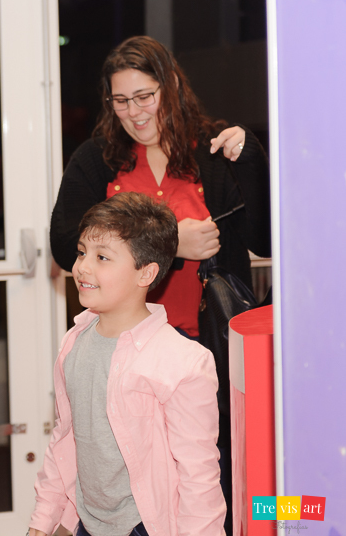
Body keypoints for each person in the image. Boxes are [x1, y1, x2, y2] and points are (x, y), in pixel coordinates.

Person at [50, 36, 271, 534]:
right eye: (120, 100)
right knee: (130, 473)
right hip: (128, 351)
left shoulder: (214, 150)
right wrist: (175, 242)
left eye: (145, 95)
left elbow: (265, 237)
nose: (134, 111)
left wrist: (251, 155)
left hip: (207, 344)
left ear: (170, 86)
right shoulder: (96, 159)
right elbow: (66, 245)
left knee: (212, 469)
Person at [29, 192, 226, 536]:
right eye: (81, 252)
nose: (82, 267)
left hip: (145, 526)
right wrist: (42, 522)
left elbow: (199, 475)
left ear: (145, 274)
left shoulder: (183, 362)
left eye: (102, 257)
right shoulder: (74, 341)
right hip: (86, 522)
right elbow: (63, 440)